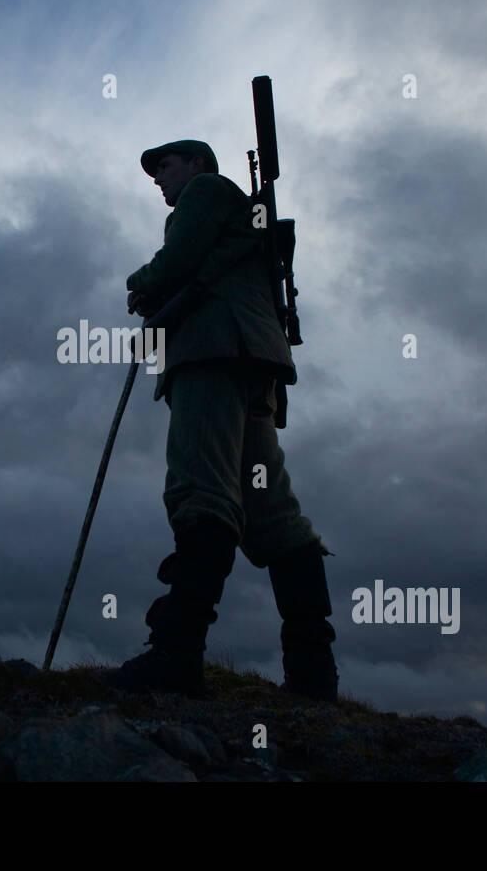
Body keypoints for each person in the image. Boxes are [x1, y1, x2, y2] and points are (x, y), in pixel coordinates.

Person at [101, 139, 339, 701]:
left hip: (212, 350)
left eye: (164, 165)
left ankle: (176, 657)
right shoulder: (237, 218)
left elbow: (175, 263)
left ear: (198, 164)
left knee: (200, 490)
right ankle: (312, 675)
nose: (158, 178)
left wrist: (140, 283)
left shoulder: (207, 192)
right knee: (273, 514)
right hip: (254, 360)